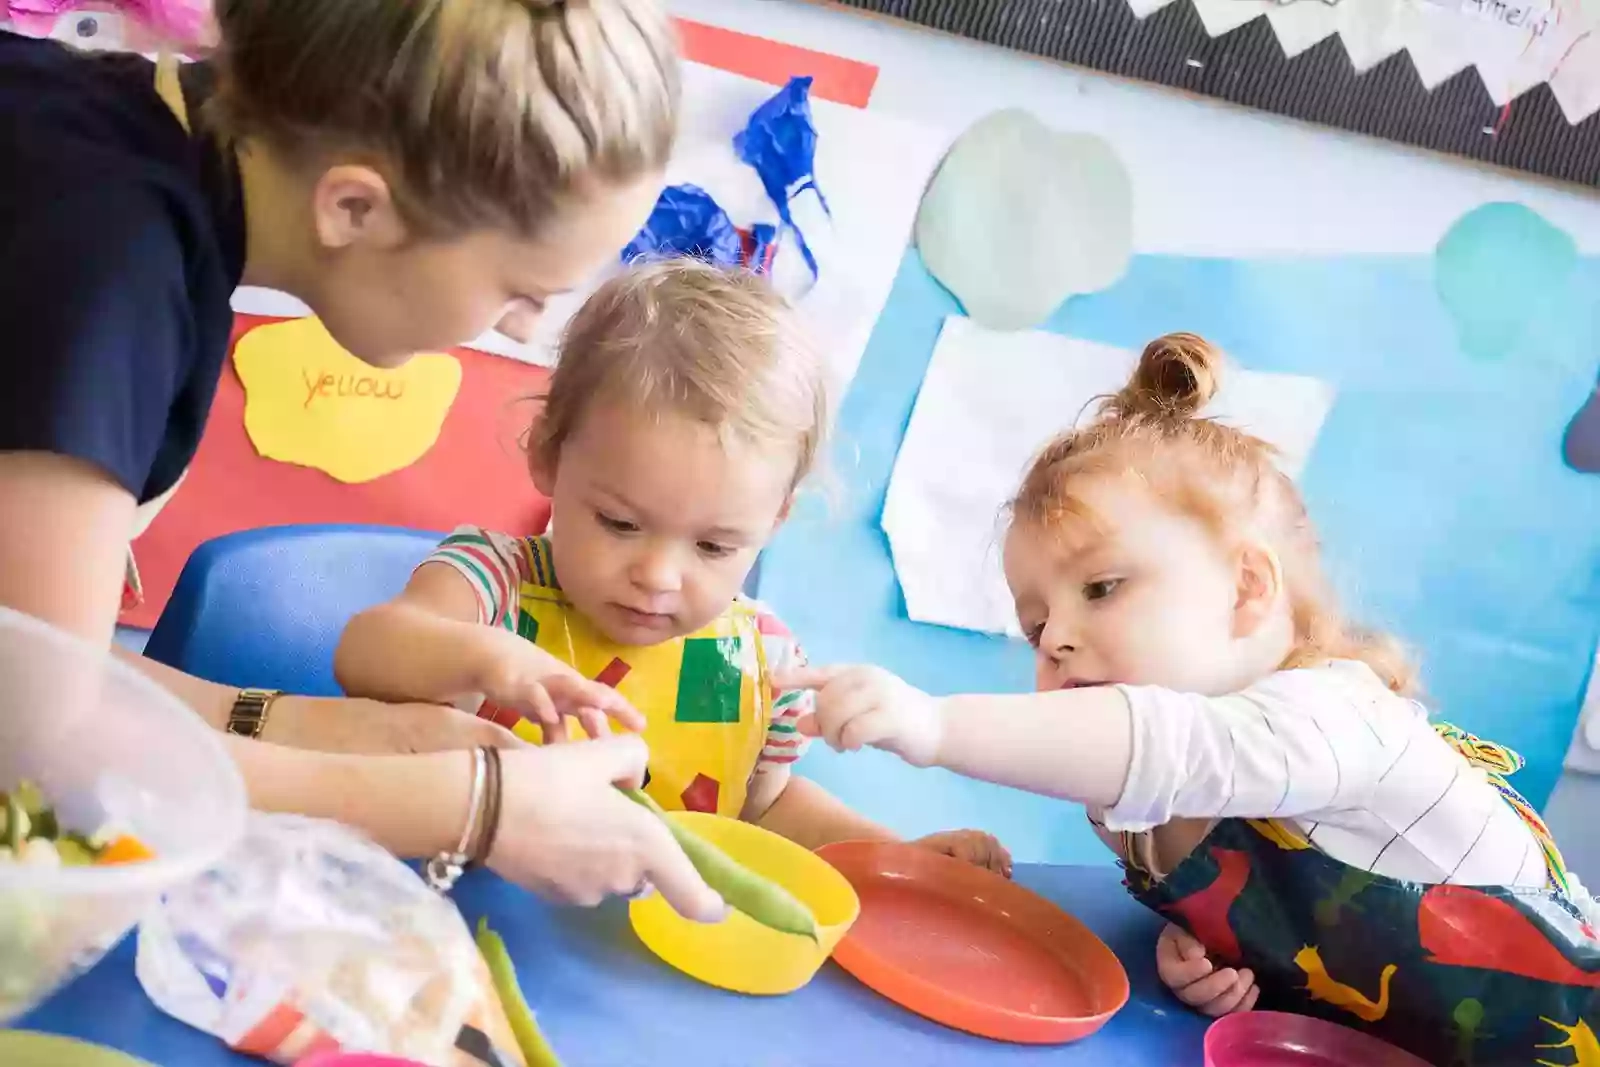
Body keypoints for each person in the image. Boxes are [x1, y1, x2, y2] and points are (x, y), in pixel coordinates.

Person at [0, 0, 731, 922]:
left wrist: (298, 723)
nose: (523, 329)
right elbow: (36, 734)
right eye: (519, 291)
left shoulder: (117, 139)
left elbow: (27, 660)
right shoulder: (106, 275)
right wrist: (479, 809)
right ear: (354, 206)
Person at [777, 333, 1600, 1064]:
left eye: (1101, 587)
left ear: (1247, 586)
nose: (1057, 637)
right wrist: (1212, 953)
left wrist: (933, 722)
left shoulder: (1343, 718)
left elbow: (1176, 747)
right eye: (1035, 626)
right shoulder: (1137, 812)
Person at [337, 258, 1011, 872]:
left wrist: (898, 858)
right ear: (547, 453)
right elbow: (368, 652)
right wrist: (489, 661)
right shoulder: (493, 582)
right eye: (621, 524)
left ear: (774, 520)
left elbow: (764, 813)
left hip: (639, 967)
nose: (659, 574)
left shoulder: (763, 665)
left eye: (714, 547)